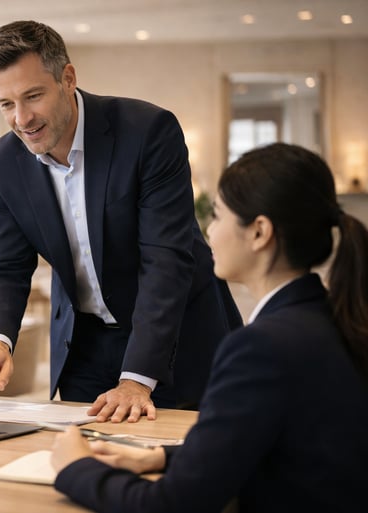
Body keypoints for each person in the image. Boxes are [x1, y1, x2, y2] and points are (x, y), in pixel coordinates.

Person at [50, 143, 368, 512]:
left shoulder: (260, 347)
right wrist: (162, 458)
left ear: (259, 233)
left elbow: (172, 505)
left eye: (217, 217)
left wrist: (76, 467)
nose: (209, 233)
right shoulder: (334, 317)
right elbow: (283, 445)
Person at [0, 20, 242, 422]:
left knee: (181, 467)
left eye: (33, 96)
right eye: (6, 104)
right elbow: (6, 265)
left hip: (176, 338)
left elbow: (165, 261)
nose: (22, 118)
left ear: (68, 78)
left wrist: (137, 379)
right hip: (84, 344)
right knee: (82, 465)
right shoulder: (2, 161)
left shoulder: (148, 132)